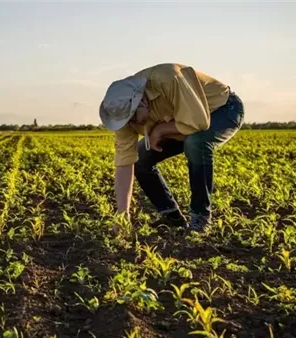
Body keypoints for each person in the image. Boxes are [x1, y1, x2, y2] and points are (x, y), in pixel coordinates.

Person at [99, 63, 245, 233]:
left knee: (196, 142)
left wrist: (160, 130)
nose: (130, 125)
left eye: (131, 119)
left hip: (221, 110)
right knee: (141, 157)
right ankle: (172, 216)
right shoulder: (122, 112)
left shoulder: (169, 78)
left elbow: (198, 122)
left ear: (142, 102)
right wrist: (122, 214)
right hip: (181, 122)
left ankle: (200, 219)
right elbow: (124, 162)